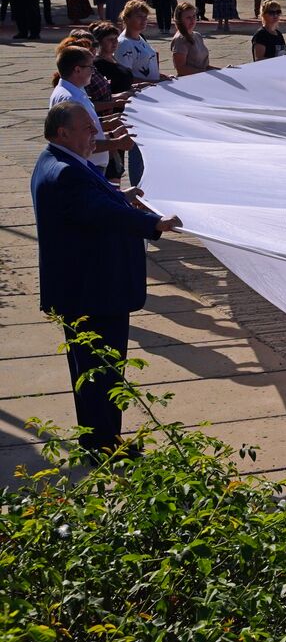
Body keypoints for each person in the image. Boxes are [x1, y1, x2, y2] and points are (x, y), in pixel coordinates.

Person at [32, 101, 180, 460]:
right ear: (63, 132)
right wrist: (153, 224)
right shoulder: (65, 172)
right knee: (101, 372)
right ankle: (102, 446)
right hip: (93, 293)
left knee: (93, 372)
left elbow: (91, 202)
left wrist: (120, 196)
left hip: (83, 290)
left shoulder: (57, 161)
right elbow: (94, 212)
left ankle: (100, 440)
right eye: (86, 128)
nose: (94, 134)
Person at [170, 2, 212, 75]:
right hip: (190, 81)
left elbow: (205, 66)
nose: (192, 20)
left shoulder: (197, 36)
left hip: (203, 77)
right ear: (180, 20)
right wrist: (205, 74)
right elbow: (181, 69)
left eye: (194, 16)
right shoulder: (180, 39)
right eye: (188, 17)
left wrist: (223, 71)